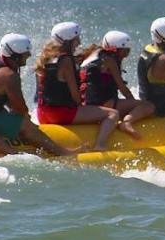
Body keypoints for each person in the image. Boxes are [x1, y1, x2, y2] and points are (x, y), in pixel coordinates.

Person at [0, 33, 82, 157]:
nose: (29, 55)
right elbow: (20, 109)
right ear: (16, 56)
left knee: (17, 119)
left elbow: (0, 96)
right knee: (25, 124)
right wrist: (26, 120)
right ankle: (62, 152)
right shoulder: (9, 75)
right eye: (25, 53)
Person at [33, 21, 119, 151]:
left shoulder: (44, 57)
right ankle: (100, 145)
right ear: (69, 41)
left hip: (42, 113)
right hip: (60, 114)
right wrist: (87, 109)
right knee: (112, 114)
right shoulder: (66, 60)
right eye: (77, 39)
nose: (79, 43)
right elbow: (75, 95)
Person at [79, 31, 154, 139]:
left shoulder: (93, 56)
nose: (127, 55)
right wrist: (136, 104)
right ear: (116, 49)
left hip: (88, 104)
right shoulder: (109, 60)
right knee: (149, 106)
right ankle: (127, 123)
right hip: (104, 104)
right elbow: (122, 89)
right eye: (126, 51)